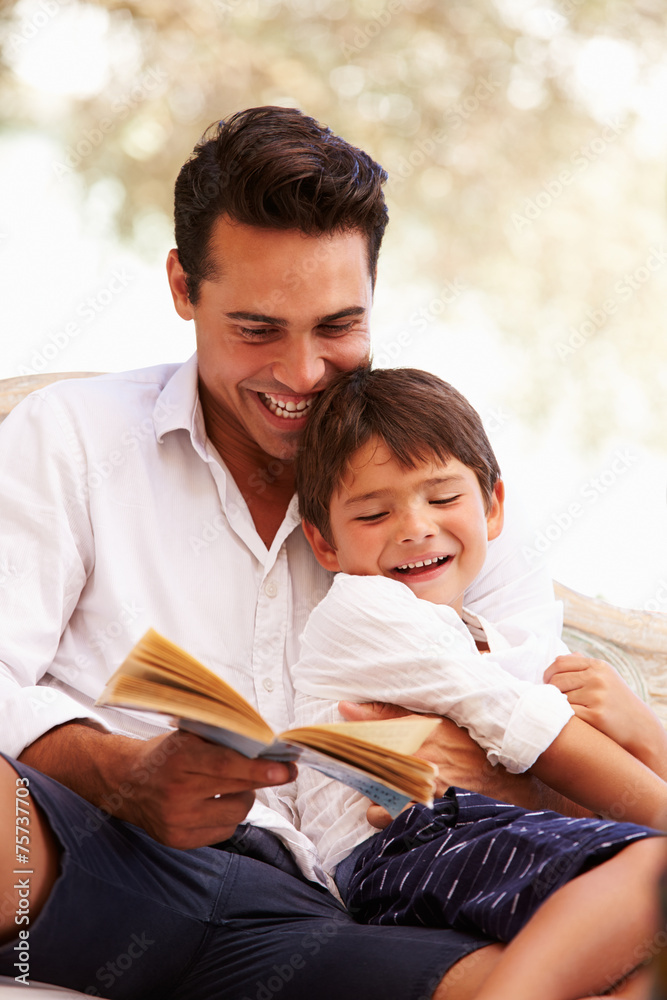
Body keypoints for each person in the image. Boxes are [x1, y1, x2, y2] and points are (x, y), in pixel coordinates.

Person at [0, 105, 648, 1000]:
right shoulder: (71, 438)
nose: (302, 375)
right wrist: (121, 773)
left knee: (623, 959)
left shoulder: (440, 484)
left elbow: (529, 716)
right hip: (105, 852)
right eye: (258, 330)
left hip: (332, 907)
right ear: (184, 288)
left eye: (337, 327)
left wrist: (491, 765)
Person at [292, 363, 667, 999]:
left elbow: (565, 774)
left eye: (442, 498)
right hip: (401, 850)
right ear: (325, 545)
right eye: (374, 513)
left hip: (471, 837)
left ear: (492, 507)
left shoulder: (492, 638)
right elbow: (534, 733)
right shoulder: (364, 611)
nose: (415, 526)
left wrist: (643, 731)